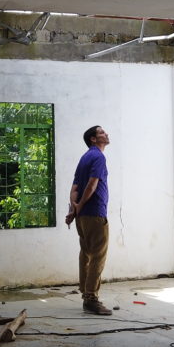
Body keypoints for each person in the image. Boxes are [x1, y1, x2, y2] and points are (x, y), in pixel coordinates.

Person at [66, 125, 113, 315]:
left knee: (85, 253)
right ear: (93, 139)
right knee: (97, 256)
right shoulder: (99, 157)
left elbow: (75, 187)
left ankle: (85, 292)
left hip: (82, 215)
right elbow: (92, 184)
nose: (106, 134)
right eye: (102, 132)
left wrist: (74, 208)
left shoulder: (85, 157)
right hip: (94, 213)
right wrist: (82, 204)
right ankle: (91, 298)